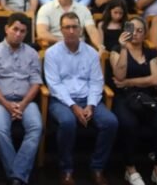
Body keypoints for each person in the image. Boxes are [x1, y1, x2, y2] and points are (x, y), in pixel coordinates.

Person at [44, 12, 119, 185]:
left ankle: (97, 168)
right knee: (67, 122)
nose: (71, 31)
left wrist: (91, 105)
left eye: (74, 27)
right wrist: (73, 106)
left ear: (80, 29)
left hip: (87, 99)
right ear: (61, 30)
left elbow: (96, 82)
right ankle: (66, 170)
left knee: (111, 122)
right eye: (67, 27)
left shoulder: (91, 53)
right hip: (62, 101)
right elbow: (55, 85)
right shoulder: (52, 53)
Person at [110, 17, 157, 185]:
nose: (135, 34)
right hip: (124, 97)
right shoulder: (117, 50)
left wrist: (129, 82)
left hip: (147, 97)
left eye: (140, 31)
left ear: (145, 34)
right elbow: (119, 76)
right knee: (129, 124)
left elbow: (156, 80)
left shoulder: (151, 52)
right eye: (132, 30)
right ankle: (130, 168)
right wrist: (124, 48)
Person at [0, 13, 43, 185]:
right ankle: (17, 175)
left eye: (22, 31)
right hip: (0, 102)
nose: (18, 34)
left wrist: (22, 105)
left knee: (36, 127)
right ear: (6, 29)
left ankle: (16, 175)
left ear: (26, 33)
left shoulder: (32, 54)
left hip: (26, 101)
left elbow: (36, 83)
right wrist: (7, 105)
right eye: (15, 29)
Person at [36, 0, 101, 49]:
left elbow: (92, 31)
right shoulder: (45, 9)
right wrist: (64, 42)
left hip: (80, 48)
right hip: (56, 47)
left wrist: (100, 46)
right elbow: (42, 32)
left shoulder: (83, 9)